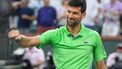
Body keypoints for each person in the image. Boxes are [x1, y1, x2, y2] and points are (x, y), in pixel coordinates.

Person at [8, 0, 107, 69]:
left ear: (83, 15)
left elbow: (101, 66)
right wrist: (18, 38)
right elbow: (29, 41)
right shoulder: (54, 34)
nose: (70, 16)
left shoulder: (94, 36)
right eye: (69, 12)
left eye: (75, 13)